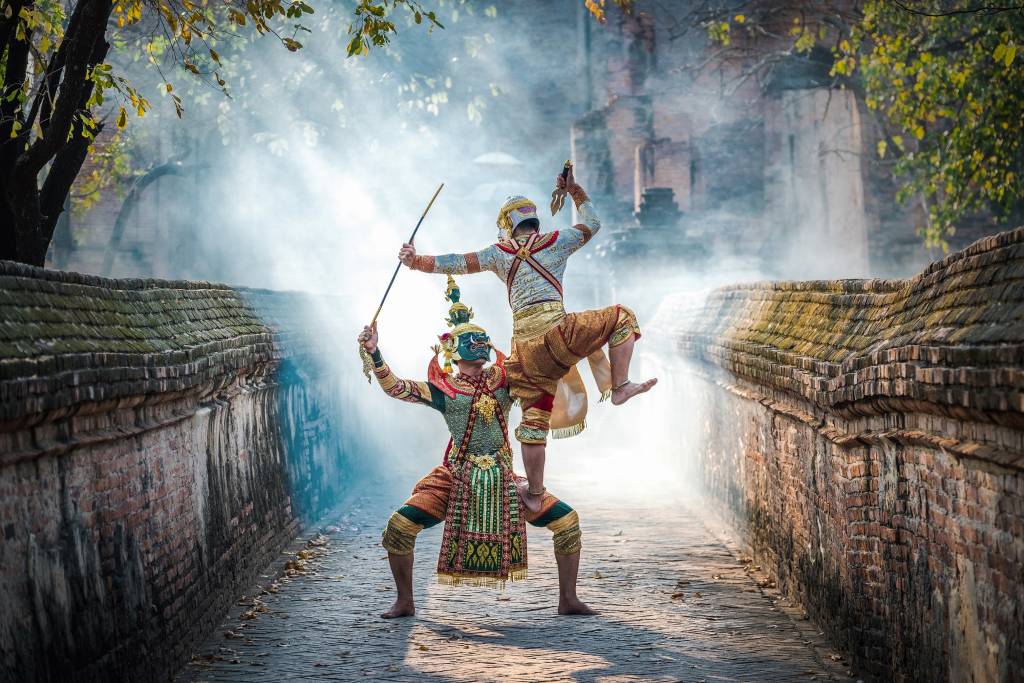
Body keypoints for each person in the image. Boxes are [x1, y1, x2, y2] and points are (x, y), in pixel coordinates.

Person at [398, 165, 656, 513]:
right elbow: (592, 224)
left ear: (507, 227)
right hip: (559, 336)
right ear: (535, 222)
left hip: (525, 353)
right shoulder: (557, 242)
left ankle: (534, 493)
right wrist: (575, 191)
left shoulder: (498, 254)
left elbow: (458, 262)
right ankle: (620, 384)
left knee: (534, 423)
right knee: (622, 316)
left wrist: (417, 262)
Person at [358, 277, 594, 618]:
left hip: (503, 480)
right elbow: (396, 387)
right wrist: (374, 352)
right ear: (453, 349)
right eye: (472, 339)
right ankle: (405, 601)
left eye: (483, 338)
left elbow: (540, 368)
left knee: (567, 521)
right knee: (399, 527)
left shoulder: (505, 379)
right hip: (456, 477)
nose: (481, 342)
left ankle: (568, 599)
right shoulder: (445, 391)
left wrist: (561, 340)